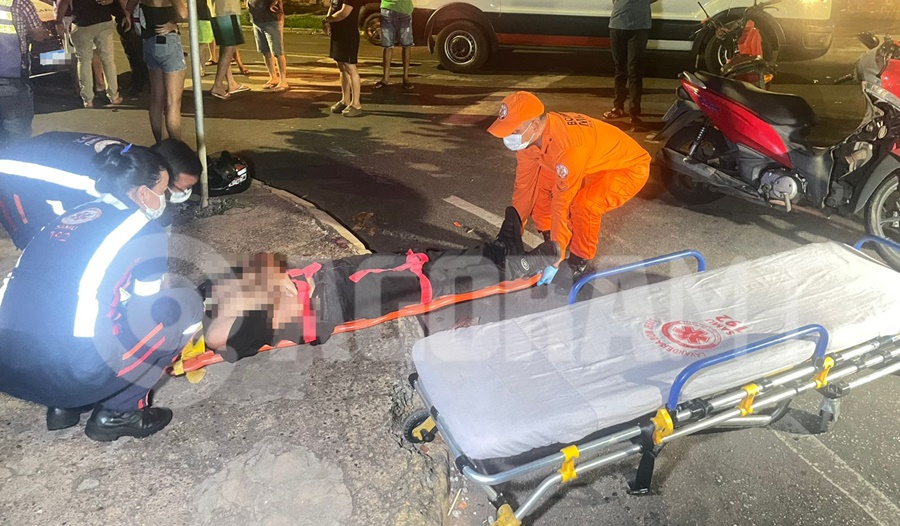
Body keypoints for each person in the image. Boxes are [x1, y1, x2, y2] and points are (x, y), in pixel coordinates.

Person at [0, 144, 204, 441]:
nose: (164, 199)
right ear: (143, 193)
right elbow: (147, 309)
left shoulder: (74, 213)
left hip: (10, 364)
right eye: (162, 191)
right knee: (184, 306)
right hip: (71, 371)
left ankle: (64, 408)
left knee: (70, 303)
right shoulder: (145, 230)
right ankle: (120, 413)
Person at [203, 208, 560, 360]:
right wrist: (269, 287)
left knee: (423, 260)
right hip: (339, 300)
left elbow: (267, 265)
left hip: (330, 278)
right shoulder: (218, 330)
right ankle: (515, 267)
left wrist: (269, 284)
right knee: (429, 279)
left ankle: (501, 249)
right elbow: (277, 300)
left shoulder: (213, 294)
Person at [487, 91, 650, 282]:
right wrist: (513, 230)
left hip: (627, 168)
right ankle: (551, 242)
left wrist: (555, 259)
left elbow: (562, 204)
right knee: (540, 191)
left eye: (513, 131)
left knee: (584, 205)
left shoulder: (567, 148)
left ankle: (579, 261)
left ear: (534, 126)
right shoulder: (531, 139)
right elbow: (524, 186)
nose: (508, 137)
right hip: (591, 162)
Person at [0, 132, 201, 249]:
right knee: (46, 246)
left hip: (45, 151)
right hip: (12, 179)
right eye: (169, 189)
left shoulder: (132, 159)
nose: (183, 194)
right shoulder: (100, 183)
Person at [0, 0, 50, 149]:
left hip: (9, 74)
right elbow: (38, 34)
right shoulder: (20, 3)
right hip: (11, 75)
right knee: (18, 133)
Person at [56, 0, 123, 108]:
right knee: (108, 59)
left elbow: (64, 2)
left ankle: (88, 99)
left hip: (82, 22)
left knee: (84, 61)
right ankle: (114, 96)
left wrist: (58, 21)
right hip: (104, 20)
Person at [603, 0, 657, 131]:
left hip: (639, 27)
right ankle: (618, 107)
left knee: (635, 70)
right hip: (618, 24)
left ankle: (634, 112)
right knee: (620, 69)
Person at [140, 0, 187, 142]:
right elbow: (184, 13)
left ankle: (160, 144)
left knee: (156, 99)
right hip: (167, 40)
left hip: (149, 41)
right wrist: (173, 23)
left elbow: (129, 6)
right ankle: (176, 147)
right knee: (173, 102)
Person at [324, 0, 362, 117]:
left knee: (350, 67)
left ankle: (356, 104)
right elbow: (332, 6)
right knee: (341, 67)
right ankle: (345, 100)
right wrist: (327, 22)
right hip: (338, 33)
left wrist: (328, 20)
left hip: (348, 34)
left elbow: (344, 13)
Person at [209, 0, 249, 100]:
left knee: (227, 47)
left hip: (220, 10)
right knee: (229, 47)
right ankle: (218, 85)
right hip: (227, 9)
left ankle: (231, 83)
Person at [249, 0, 289, 92]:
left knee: (277, 51)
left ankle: (283, 80)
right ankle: (273, 76)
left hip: (271, 18)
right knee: (265, 50)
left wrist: (275, 2)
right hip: (257, 18)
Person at [374, 0, 413, 90]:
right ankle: (387, 78)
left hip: (402, 10)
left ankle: (404, 78)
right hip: (389, 9)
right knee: (389, 45)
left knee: (405, 44)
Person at [116, 0, 149, 93]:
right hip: (141, 15)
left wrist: (127, 15)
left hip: (133, 17)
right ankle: (145, 82)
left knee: (135, 53)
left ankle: (139, 84)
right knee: (141, 51)